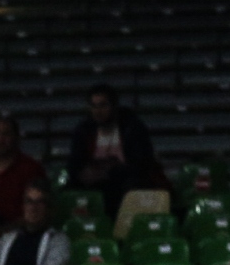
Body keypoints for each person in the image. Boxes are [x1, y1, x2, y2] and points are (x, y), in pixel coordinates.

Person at [66, 84, 160, 216]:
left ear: (114, 106)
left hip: (123, 181)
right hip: (95, 183)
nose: (98, 111)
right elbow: (74, 162)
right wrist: (83, 173)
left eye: (103, 105)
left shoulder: (132, 127)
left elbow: (142, 163)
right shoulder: (84, 130)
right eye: (94, 106)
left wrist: (111, 171)